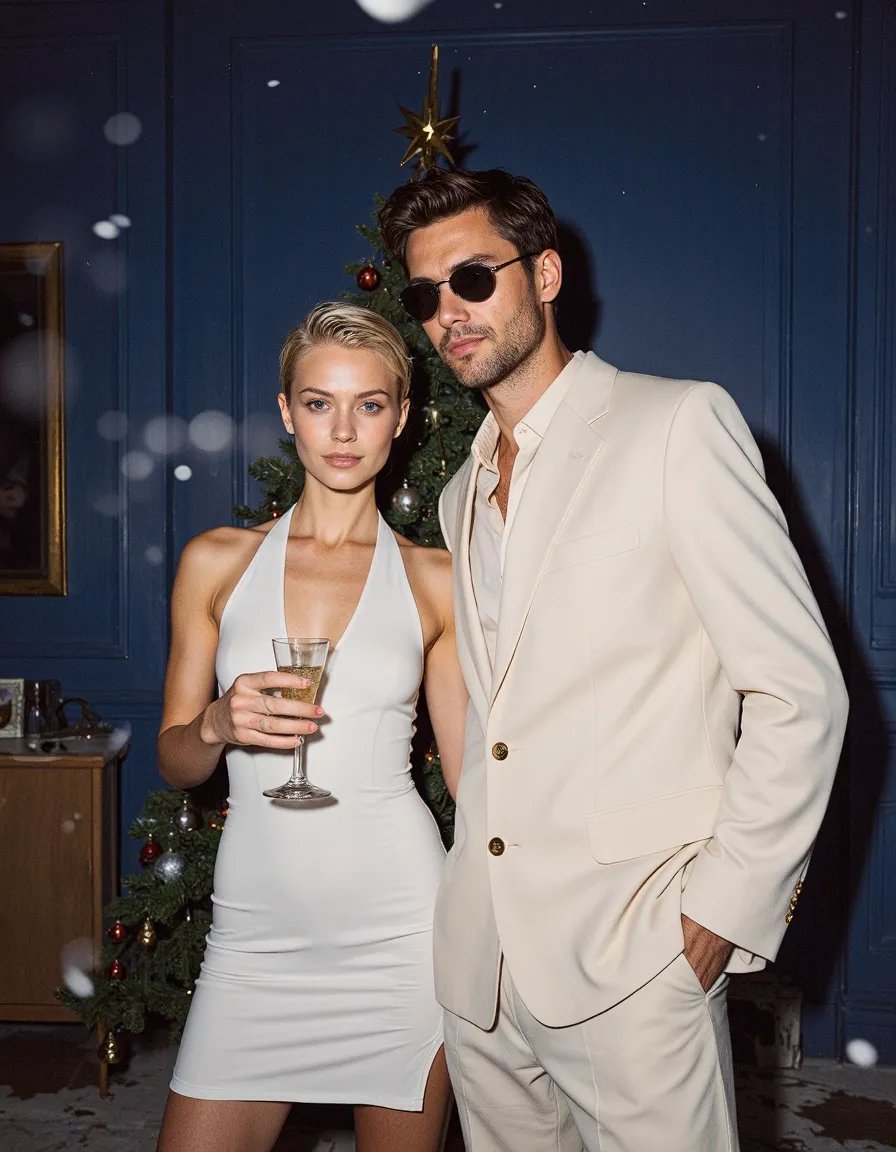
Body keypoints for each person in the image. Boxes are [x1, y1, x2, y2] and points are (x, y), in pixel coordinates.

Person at [378, 168, 849, 1152]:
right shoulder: (461, 492)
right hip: (484, 972)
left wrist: (717, 915)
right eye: (423, 295)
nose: (446, 314)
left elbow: (796, 691)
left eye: (472, 279)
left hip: (634, 955)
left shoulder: (672, 424)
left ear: (543, 274)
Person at [155, 302, 467, 1152]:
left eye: (369, 404)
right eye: (319, 402)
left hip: (400, 936)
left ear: (401, 419)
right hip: (255, 936)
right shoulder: (217, 563)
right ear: (287, 410)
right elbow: (178, 760)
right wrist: (217, 724)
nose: (343, 429)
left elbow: (476, 778)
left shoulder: (439, 578)